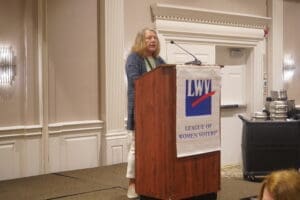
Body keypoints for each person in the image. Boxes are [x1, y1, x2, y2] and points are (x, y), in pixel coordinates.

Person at [125, 27, 166, 199]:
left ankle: (152, 180)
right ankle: (132, 183)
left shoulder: (158, 60)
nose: (153, 41)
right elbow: (136, 80)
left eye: (155, 38)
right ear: (141, 40)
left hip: (159, 112)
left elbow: (168, 79)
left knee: (155, 148)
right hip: (141, 111)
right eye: (149, 37)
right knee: (137, 148)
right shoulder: (134, 58)